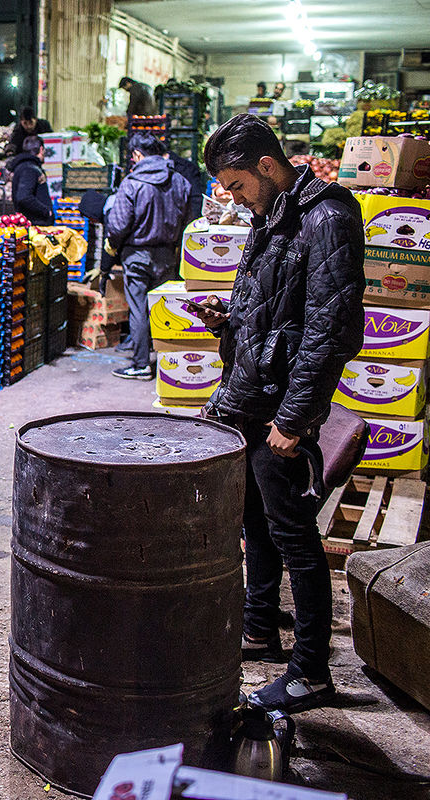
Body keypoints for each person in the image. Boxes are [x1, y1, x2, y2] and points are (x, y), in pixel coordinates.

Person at [189, 114, 364, 713]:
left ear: (267, 167)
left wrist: (294, 419)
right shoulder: (271, 215)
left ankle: (312, 670)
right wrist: (229, 320)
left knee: (294, 536)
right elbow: (274, 310)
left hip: (279, 408)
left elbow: (330, 330)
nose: (233, 199)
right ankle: (260, 627)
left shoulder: (328, 217)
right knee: (254, 522)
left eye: (237, 185)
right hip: (249, 395)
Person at [101, 133, 191, 380]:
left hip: (137, 254)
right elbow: (188, 221)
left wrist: (112, 251)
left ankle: (141, 364)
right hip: (167, 255)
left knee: (139, 309)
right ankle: (171, 363)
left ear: (138, 155)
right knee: (165, 309)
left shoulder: (131, 183)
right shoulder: (180, 182)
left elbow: (118, 226)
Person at [7, 135, 55, 226]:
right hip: (36, 223)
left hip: (32, 222)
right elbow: (24, 197)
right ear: (41, 149)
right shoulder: (29, 169)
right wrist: (46, 211)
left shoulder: (24, 166)